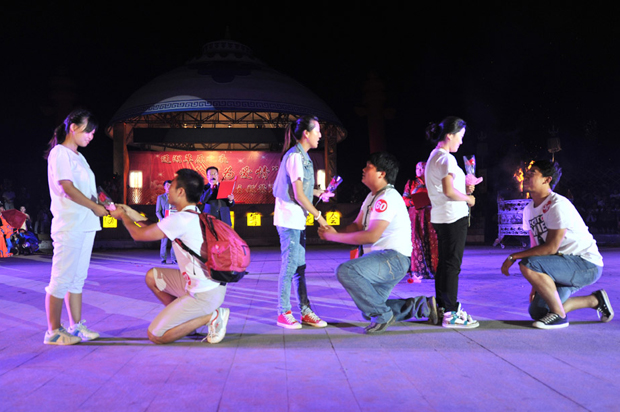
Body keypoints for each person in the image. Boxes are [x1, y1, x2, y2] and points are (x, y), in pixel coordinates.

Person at [319, 152, 437, 333]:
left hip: (393, 259)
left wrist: (333, 237)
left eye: (369, 167)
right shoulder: (373, 196)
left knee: (346, 271)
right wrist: (333, 231)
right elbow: (357, 225)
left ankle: (383, 316)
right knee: (371, 309)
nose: (363, 169)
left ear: (382, 173)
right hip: (383, 259)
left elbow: (372, 236)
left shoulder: (387, 197)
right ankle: (422, 306)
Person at [110, 169, 230, 344]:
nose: (167, 190)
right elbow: (155, 227)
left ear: (180, 192)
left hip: (204, 295)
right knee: (153, 277)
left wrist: (122, 216)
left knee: (156, 335)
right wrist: (129, 212)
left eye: (171, 186)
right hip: (209, 286)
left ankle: (212, 316)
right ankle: (187, 322)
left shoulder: (181, 219)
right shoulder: (194, 214)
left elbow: (139, 234)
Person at [501, 160, 613, 329]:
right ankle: (595, 300)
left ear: (547, 179)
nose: (526, 177)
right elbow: (534, 248)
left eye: (532, 174)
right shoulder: (529, 209)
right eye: (527, 174)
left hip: (585, 264)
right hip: (560, 265)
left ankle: (560, 316)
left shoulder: (557, 204)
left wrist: (513, 256)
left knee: (527, 263)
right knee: (538, 312)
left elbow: (550, 248)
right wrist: (536, 285)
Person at [43, 109, 108, 345]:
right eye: (88, 130)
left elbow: (87, 191)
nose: (91, 136)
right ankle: (53, 331)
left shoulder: (79, 157)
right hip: (69, 224)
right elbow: (67, 188)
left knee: (77, 279)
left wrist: (103, 203)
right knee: (61, 279)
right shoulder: (60, 153)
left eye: (93, 132)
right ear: (73, 127)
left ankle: (76, 327)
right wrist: (95, 207)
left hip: (86, 224)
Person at [272, 115, 330, 329]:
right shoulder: (296, 156)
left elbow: (299, 189)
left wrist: (317, 193)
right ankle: (283, 312)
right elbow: (298, 195)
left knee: (299, 268)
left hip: (297, 219)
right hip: (289, 220)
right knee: (290, 267)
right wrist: (320, 217)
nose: (320, 135)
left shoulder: (302, 156)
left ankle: (305, 311)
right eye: (317, 131)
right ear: (306, 133)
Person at [425, 116, 479, 329]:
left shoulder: (434, 157)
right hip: (453, 217)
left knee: (445, 263)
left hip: (441, 216)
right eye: (460, 136)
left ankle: (442, 307)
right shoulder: (447, 158)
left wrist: (464, 188)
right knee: (452, 264)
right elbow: (448, 191)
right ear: (449, 135)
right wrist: (469, 199)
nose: (461, 141)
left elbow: (444, 189)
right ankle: (451, 312)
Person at [403, 161, 438, 281]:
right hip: (415, 216)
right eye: (417, 168)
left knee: (432, 242)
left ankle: (434, 269)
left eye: (422, 168)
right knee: (416, 242)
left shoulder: (433, 182)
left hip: (430, 215)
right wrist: (413, 202)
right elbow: (404, 199)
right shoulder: (411, 183)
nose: (419, 170)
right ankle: (417, 270)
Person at [155, 180, 177, 264]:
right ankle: (163, 258)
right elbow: (157, 211)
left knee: (174, 242)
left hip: (174, 223)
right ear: (164, 187)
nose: (169, 187)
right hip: (165, 223)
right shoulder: (161, 198)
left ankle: (174, 258)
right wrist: (162, 219)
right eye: (167, 185)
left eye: (170, 185)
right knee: (164, 242)